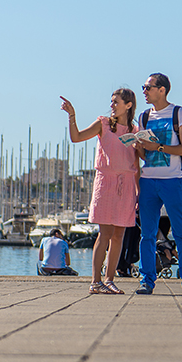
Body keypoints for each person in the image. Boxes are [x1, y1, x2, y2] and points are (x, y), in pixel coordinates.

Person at [61, 89, 139, 295]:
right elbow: (76, 137)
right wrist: (72, 116)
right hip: (106, 183)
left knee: (119, 235)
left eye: (116, 102)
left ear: (128, 105)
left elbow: (137, 164)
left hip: (127, 184)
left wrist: (138, 192)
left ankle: (109, 280)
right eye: (111, 101)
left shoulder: (135, 130)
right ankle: (96, 282)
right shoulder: (103, 124)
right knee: (105, 233)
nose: (112, 105)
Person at [132, 73, 182, 296]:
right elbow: (145, 156)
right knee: (147, 235)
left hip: (172, 180)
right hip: (148, 180)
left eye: (148, 87)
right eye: (143, 87)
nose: (144, 91)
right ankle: (146, 280)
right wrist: (138, 147)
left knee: (181, 232)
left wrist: (158, 147)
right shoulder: (143, 117)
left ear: (162, 90)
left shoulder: (179, 113)